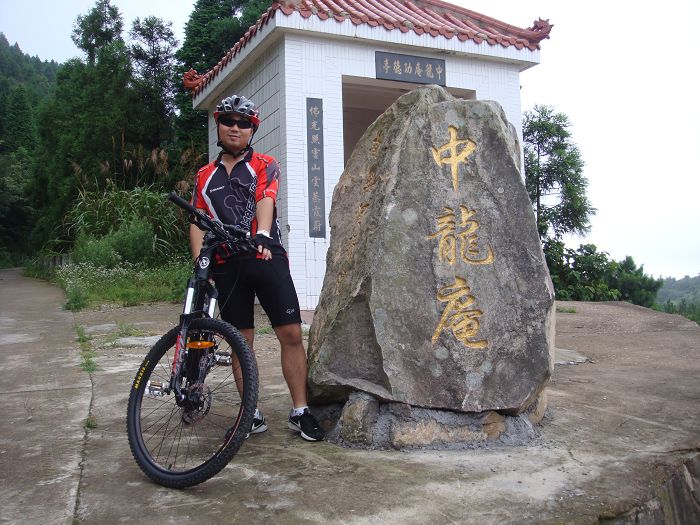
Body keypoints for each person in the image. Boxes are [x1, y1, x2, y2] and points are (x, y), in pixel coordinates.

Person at [189, 94, 324, 442]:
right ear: (218, 125)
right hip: (226, 264)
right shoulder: (204, 175)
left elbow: (266, 198)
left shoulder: (265, 163)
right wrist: (199, 263)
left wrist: (262, 234)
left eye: (243, 123)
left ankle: (300, 410)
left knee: (291, 334)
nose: (235, 127)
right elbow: (197, 221)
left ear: (252, 130)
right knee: (240, 341)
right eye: (228, 121)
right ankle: (250, 413)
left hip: (266, 255)